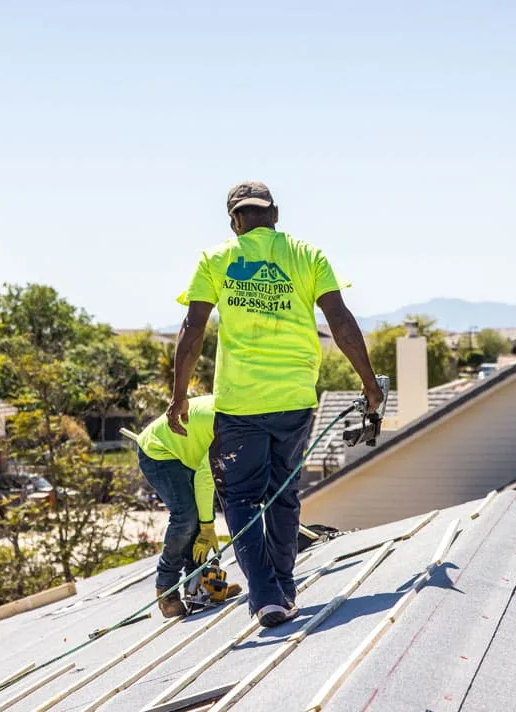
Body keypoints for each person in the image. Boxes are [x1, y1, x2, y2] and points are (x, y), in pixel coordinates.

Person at [167, 181, 382, 628]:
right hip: (295, 400)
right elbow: (340, 320)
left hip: (240, 403)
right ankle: (283, 590)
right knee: (283, 495)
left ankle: (266, 595)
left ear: (234, 221)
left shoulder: (216, 259)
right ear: (276, 214)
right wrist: (369, 384)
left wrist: (178, 397)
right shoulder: (308, 255)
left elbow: (192, 330)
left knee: (242, 497)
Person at [136, 394, 240, 617]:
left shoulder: (243, 418)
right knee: (187, 516)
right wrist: (207, 526)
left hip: (188, 452)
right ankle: (166, 590)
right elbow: (205, 477)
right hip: (159, 451)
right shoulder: (226, 425)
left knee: (201, 514)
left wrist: (206, 523)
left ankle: (200, 585)